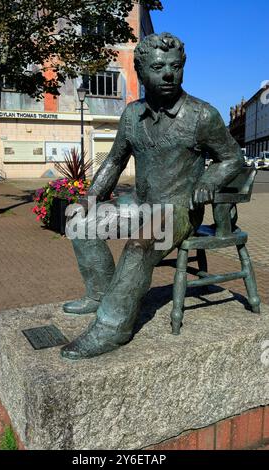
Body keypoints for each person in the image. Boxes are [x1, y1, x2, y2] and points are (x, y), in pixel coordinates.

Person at [61, 32, 243, 360]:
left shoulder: (202, 115)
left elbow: (232, 157)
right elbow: (115, 161)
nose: (168, 74)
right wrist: (90, 198)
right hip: (140, 203)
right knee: (80, 221)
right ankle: (100, 294)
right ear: (141, 72)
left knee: (139, 246)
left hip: (179, 209)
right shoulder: (132, 115)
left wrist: (210, 179)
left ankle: (112, 327)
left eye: (175, 66)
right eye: (158, 67)